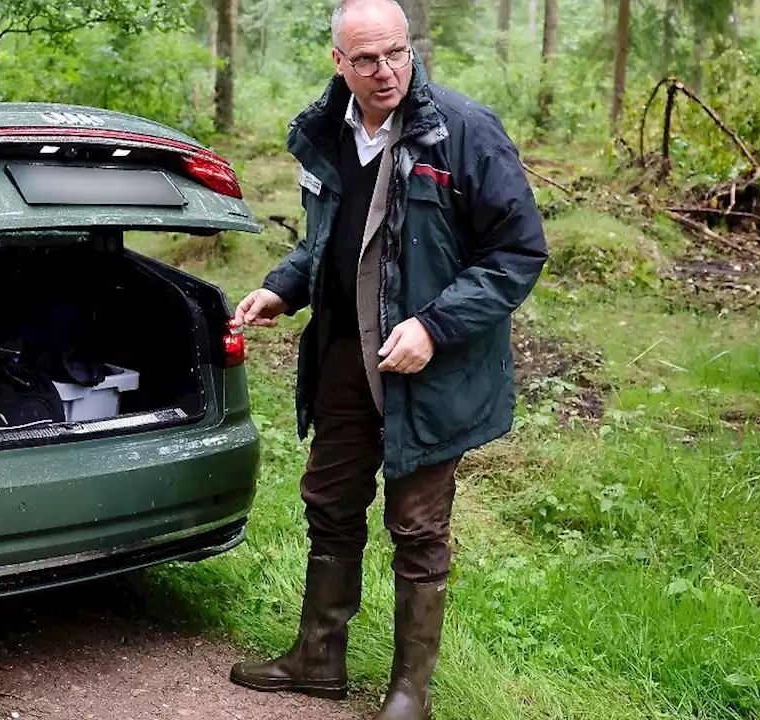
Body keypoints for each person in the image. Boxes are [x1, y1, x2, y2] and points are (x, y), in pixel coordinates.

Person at [226, 0, 548, 717]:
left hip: (430, 371)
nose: (385, 72)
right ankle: (317, 658)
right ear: (338, 62)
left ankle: (410, 693)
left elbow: (518, 252)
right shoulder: (327, 132)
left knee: (418, 525)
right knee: (331, 503)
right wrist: (282, 288)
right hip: (344, 354)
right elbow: (330, 238)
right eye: (366, 59)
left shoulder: (462, 132)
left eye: (396, 53)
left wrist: (435, 325)